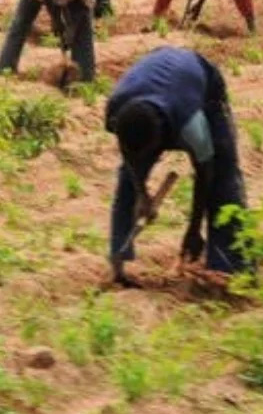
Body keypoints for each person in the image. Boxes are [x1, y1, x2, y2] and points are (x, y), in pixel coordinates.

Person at [104, 47, 249, 288]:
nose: (146, 158)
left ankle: (230, 267)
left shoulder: (191, 124)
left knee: (224, 176)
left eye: (149, 152)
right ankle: (118, 266)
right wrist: (141, 192)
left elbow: (206, 173)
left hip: (203, 86)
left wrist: (193, 230)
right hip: (153, 82)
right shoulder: (116, 113)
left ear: (161, 137)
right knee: (126, 180)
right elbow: (129, 155)